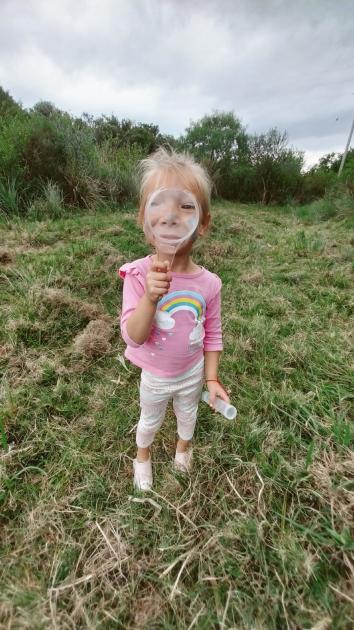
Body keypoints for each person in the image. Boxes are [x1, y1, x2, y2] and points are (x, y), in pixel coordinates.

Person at [118, 147, 230, 491]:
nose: (171, 217)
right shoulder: (138, 275)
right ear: (144, 220)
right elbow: (133, 336)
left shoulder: (209, 284)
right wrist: (151, 298)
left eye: (185, 206)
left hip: (191, 372)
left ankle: (183, 448)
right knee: (149, 419)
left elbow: (212, 333)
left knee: (187, 415)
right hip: (155, 374)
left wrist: (211, 379)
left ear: (203, 223)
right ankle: (143, 456)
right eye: (159, 205)